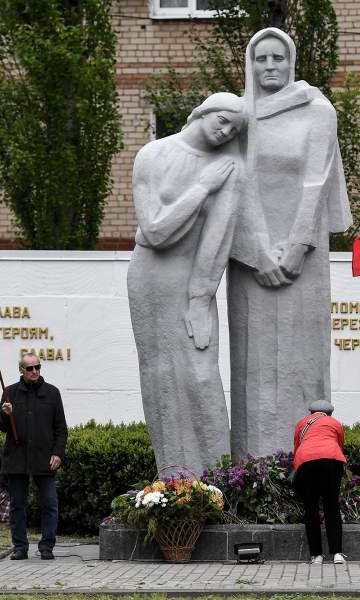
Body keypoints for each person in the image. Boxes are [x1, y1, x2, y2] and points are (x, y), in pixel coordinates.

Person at [228, 28, 352, 459]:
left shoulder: (317, 110)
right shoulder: (237, 116)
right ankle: (251, 470)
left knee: (302, 358)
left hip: (305, 258)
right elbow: (236, 186)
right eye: (260, 58)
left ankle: (308, 460)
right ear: (250, 63)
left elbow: (316, 181)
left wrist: (297, 247)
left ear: (291, 62)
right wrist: (257, 252)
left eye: (277, 58)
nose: (269, 67)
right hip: (249, 260)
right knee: (254, 361)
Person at [127, 93, 248, 475]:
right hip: (150, 276)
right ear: (203, 111)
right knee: (158, 373)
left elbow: (218, 241)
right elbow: (154, 231)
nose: (225, 131)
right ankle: (172, 475)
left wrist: (200, 298)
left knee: (200, 373)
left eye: (234, 129)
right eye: (223, 120)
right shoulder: (152, 154)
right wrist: (201, 188)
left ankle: (217, 480)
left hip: (193, 282)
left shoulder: (229, 169)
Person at [0, 352, 68, 561]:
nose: (34, 371)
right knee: (18, 505)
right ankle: (20, 547)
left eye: (37, 367)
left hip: (44, 458)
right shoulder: (9, 393)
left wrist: (58, 453)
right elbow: (2, 427)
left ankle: (47, 546)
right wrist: (5, 414)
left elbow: (61, 428)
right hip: (17, 458)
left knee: (50, 504)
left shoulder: (52, 393)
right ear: (21, 370)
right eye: (29, 368)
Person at [292, 399, 348, 565]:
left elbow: (297, 447)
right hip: (332, 461)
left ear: (311, 413)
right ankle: (337, 553)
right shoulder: (335, 423)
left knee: (311, 509)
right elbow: (340, 446)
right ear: (330, 413)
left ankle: (316, 555)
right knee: (332, 506)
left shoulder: (302, 423)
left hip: (306, 462)